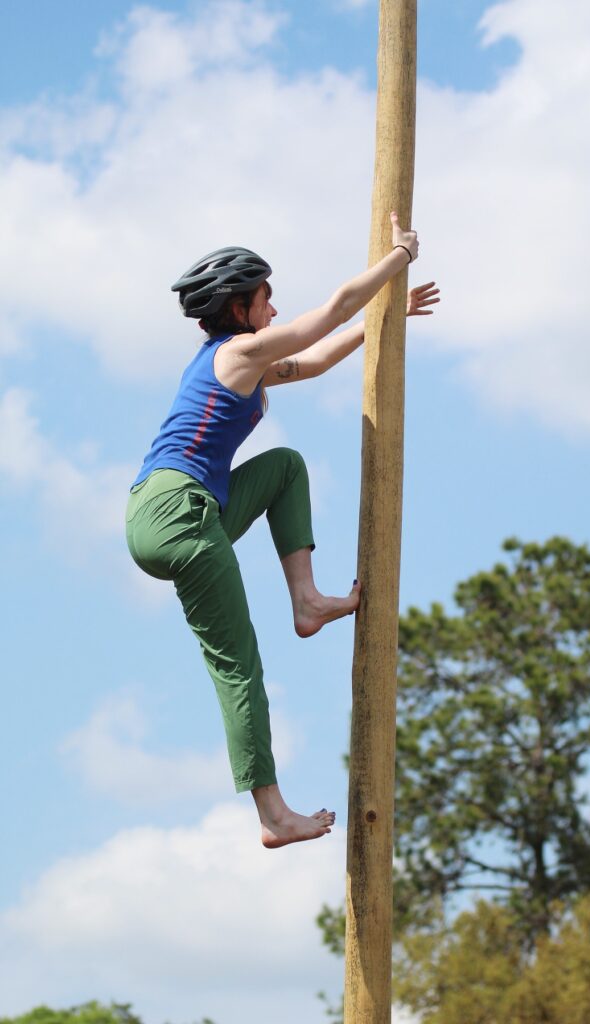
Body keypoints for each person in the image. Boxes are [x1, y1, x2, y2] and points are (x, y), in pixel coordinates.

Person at [126, 212, 439, 848]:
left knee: (283, 468)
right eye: (266, 297)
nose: (275, 307)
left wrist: (386, 320)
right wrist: (398, 257)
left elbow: (318, 356)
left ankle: (307, 599)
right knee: (239, 668)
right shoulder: (239, 352)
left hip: (182, 511)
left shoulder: (246, 362)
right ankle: (273, 815)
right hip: (177, 512)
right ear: (239, 307)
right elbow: (327, 313)